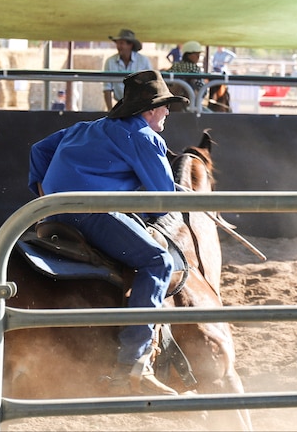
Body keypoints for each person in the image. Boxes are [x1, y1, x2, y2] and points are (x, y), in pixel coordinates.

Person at [28, 70, 189, 396]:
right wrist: (143, 208)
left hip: (47, 214)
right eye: (165, 106)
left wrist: (45, 193)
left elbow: (38, 150)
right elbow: (163, 201)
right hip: (91, 214)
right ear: (150, 110)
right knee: (158, 261)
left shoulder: (83, 128)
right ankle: (135, 362)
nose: (168, 112)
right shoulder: (145, 136)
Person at [103, 29, 152, 111]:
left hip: (139, 106)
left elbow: (151, 86)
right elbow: (107, 88)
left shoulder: (143, 61)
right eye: (117, 43)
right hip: (120, 105)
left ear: (130, 45)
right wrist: (110, 111)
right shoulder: (110, 61)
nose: (118, 46)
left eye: (121, 43)